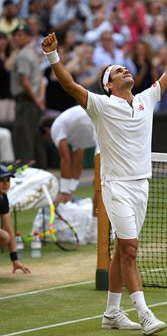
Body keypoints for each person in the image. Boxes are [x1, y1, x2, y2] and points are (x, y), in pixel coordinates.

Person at [41, 18, 167, 335]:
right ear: (109, 85)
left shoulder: (146, 99)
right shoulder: (100, 105)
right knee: (130, 249)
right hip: (115, 187)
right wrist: (53, 56)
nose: (124, 71)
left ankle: (111, 314)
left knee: (122, 251)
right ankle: (144, 313)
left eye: (124, 68)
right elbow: (70, 85)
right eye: (117, 71)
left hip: (142, 185)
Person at [39, 105, 98, 203]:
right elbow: (77, 163)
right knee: (100, 181)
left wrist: (64, 194)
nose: (50, 141)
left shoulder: (56, 127)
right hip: (104, 120)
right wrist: (70, 190)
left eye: (46, 138)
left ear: (46, 130)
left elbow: (66, 160)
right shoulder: (74, 130)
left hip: (101, 119)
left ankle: (96, 217)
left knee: (100, 181)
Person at [10, 23, 46, 168]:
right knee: (34, 139)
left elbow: (24, 82)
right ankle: (42, 171)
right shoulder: (32, 53)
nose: (16, 38)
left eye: (20, 35)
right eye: (15, 35)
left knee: (24, 142)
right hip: (34, 100)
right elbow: (41, 80)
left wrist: (37, 101)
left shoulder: (23, 55)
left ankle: (26, 173)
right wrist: (40, 99)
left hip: (26, 101)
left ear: (28, 37)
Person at [0, 164, 30, 274]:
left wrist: (15, 259)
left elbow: (8, 227)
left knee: (5, 236)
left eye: (7, 180)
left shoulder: (3, 197)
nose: (6, 184)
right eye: (1, 180)